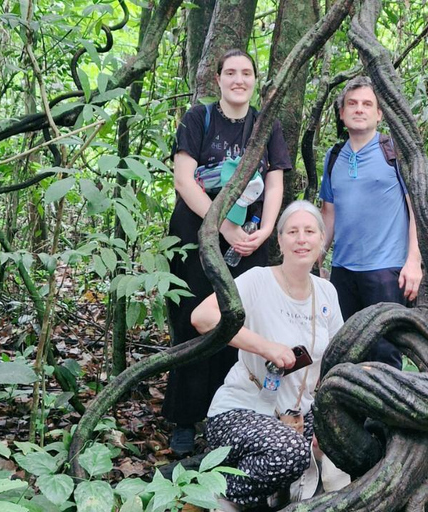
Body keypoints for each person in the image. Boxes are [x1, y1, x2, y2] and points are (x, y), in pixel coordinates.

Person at [162, 49, 292, 455]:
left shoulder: (264, 125)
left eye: (246, 73)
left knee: (238, 322)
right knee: (190, 322)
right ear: (217, 78)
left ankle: (227, 414)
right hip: (197, 235)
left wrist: (267, 229)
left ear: (256, 80)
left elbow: (274, 183)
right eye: (231, 73)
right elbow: (185, 182)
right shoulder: (197, 119)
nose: (239, 79)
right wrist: (225, 227)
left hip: (248, 242)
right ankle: (185, 419)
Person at [191, 200, 344, 509]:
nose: (302, 239)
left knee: (346, 438)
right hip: (242, 410)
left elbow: (338, 359)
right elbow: (202, 317)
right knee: (291, 453)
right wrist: (266, 347)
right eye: (293, 232)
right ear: (280, 240)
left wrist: (330, 423)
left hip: (299, 416)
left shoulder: (327, 291)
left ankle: (271, 493)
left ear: (322, 240)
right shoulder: (259, 280)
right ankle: (211, 495)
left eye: (310, 231)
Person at [318, 76, 422, 369]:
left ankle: (384, 415)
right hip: (342, 270)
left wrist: (413, 261)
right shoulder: (333, 156)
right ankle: (352, 413)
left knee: (385, 350)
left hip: (386, 270)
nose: (359, 109)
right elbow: (329, 213)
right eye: (352, 104)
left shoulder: (395, 153)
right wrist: (317, 258)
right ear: (341, 113)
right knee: (345, 349)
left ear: (379, 114)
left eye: (367, 104)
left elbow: (417, 211)